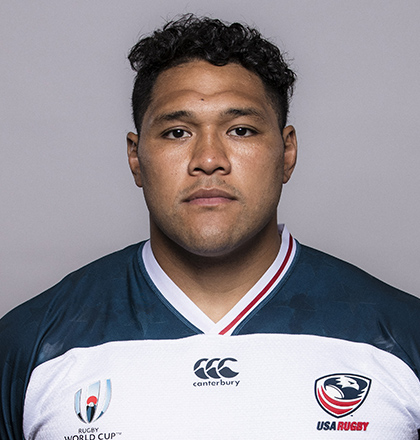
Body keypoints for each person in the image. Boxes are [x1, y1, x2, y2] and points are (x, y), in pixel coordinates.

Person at [1, 14, 420, 439]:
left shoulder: (400, 335)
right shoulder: (31, 343)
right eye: (177, 132)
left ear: (287, 153)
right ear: (135, 157)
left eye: (241, 130)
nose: (208, 160)